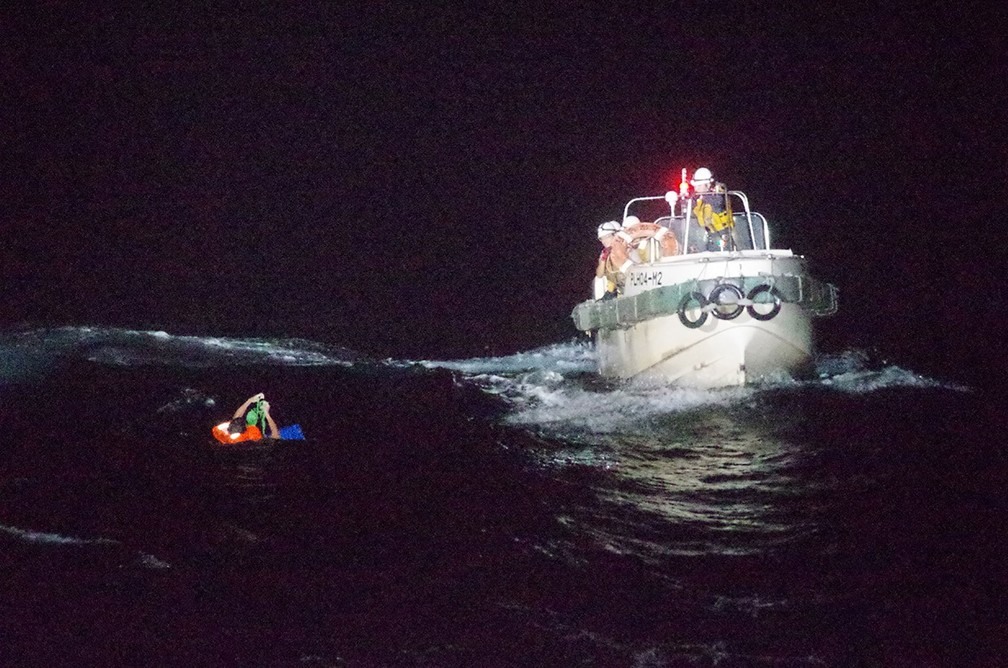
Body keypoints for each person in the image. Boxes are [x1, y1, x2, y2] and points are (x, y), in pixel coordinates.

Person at [690, 167, 735, 251]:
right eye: (696, 186)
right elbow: (693, 213)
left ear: (708, 185)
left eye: (699, 185)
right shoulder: (698, 199)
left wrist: (702, 197)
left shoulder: (717, 196)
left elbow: (717, 203)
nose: (696, 188)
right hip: (706, 234)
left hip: (721, 234)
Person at [212, 392, 280, 444]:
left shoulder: (220, 433)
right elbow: (276, 437)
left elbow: (236, 417)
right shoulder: (251, 437)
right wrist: (267, 413)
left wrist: (249, 401)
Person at [594, 221, 621, 300]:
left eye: (607, 237)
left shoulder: (623, 248)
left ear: (614, 235)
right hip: (615, 290)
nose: (604, 241)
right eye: (602, 239)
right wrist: (603, 259)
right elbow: (599, 275)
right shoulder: (604, 253)